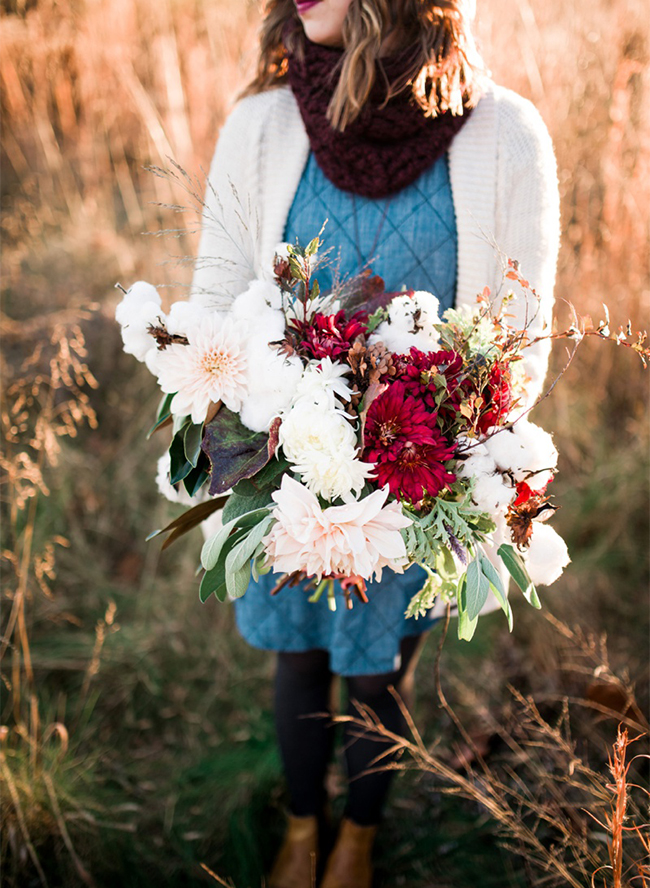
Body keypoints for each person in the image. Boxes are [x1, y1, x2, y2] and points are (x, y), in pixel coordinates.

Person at [191, 1, 560, 885]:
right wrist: (273, 419)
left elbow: (522, 336)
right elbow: (214, 294)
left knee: (377, 674)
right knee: (298, 654)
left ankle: (359, 833)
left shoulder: (506, 135)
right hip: (288, 468)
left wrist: (422, 441)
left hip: (420, 474)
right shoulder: (262, 124)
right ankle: (301, 825)